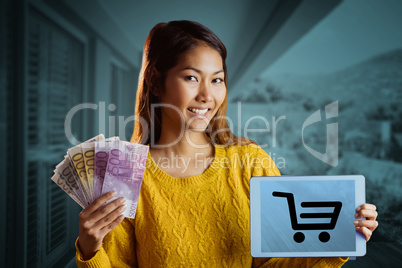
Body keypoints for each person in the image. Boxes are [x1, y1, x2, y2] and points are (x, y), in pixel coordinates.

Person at [75, 20, 378, 267]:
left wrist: (335, 244)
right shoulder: (124, 176)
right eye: (192, 78)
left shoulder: (251, 161)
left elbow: (273, 261)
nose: (207, 95)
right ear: (155, 81)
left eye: (217, 79)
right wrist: (90, 250)